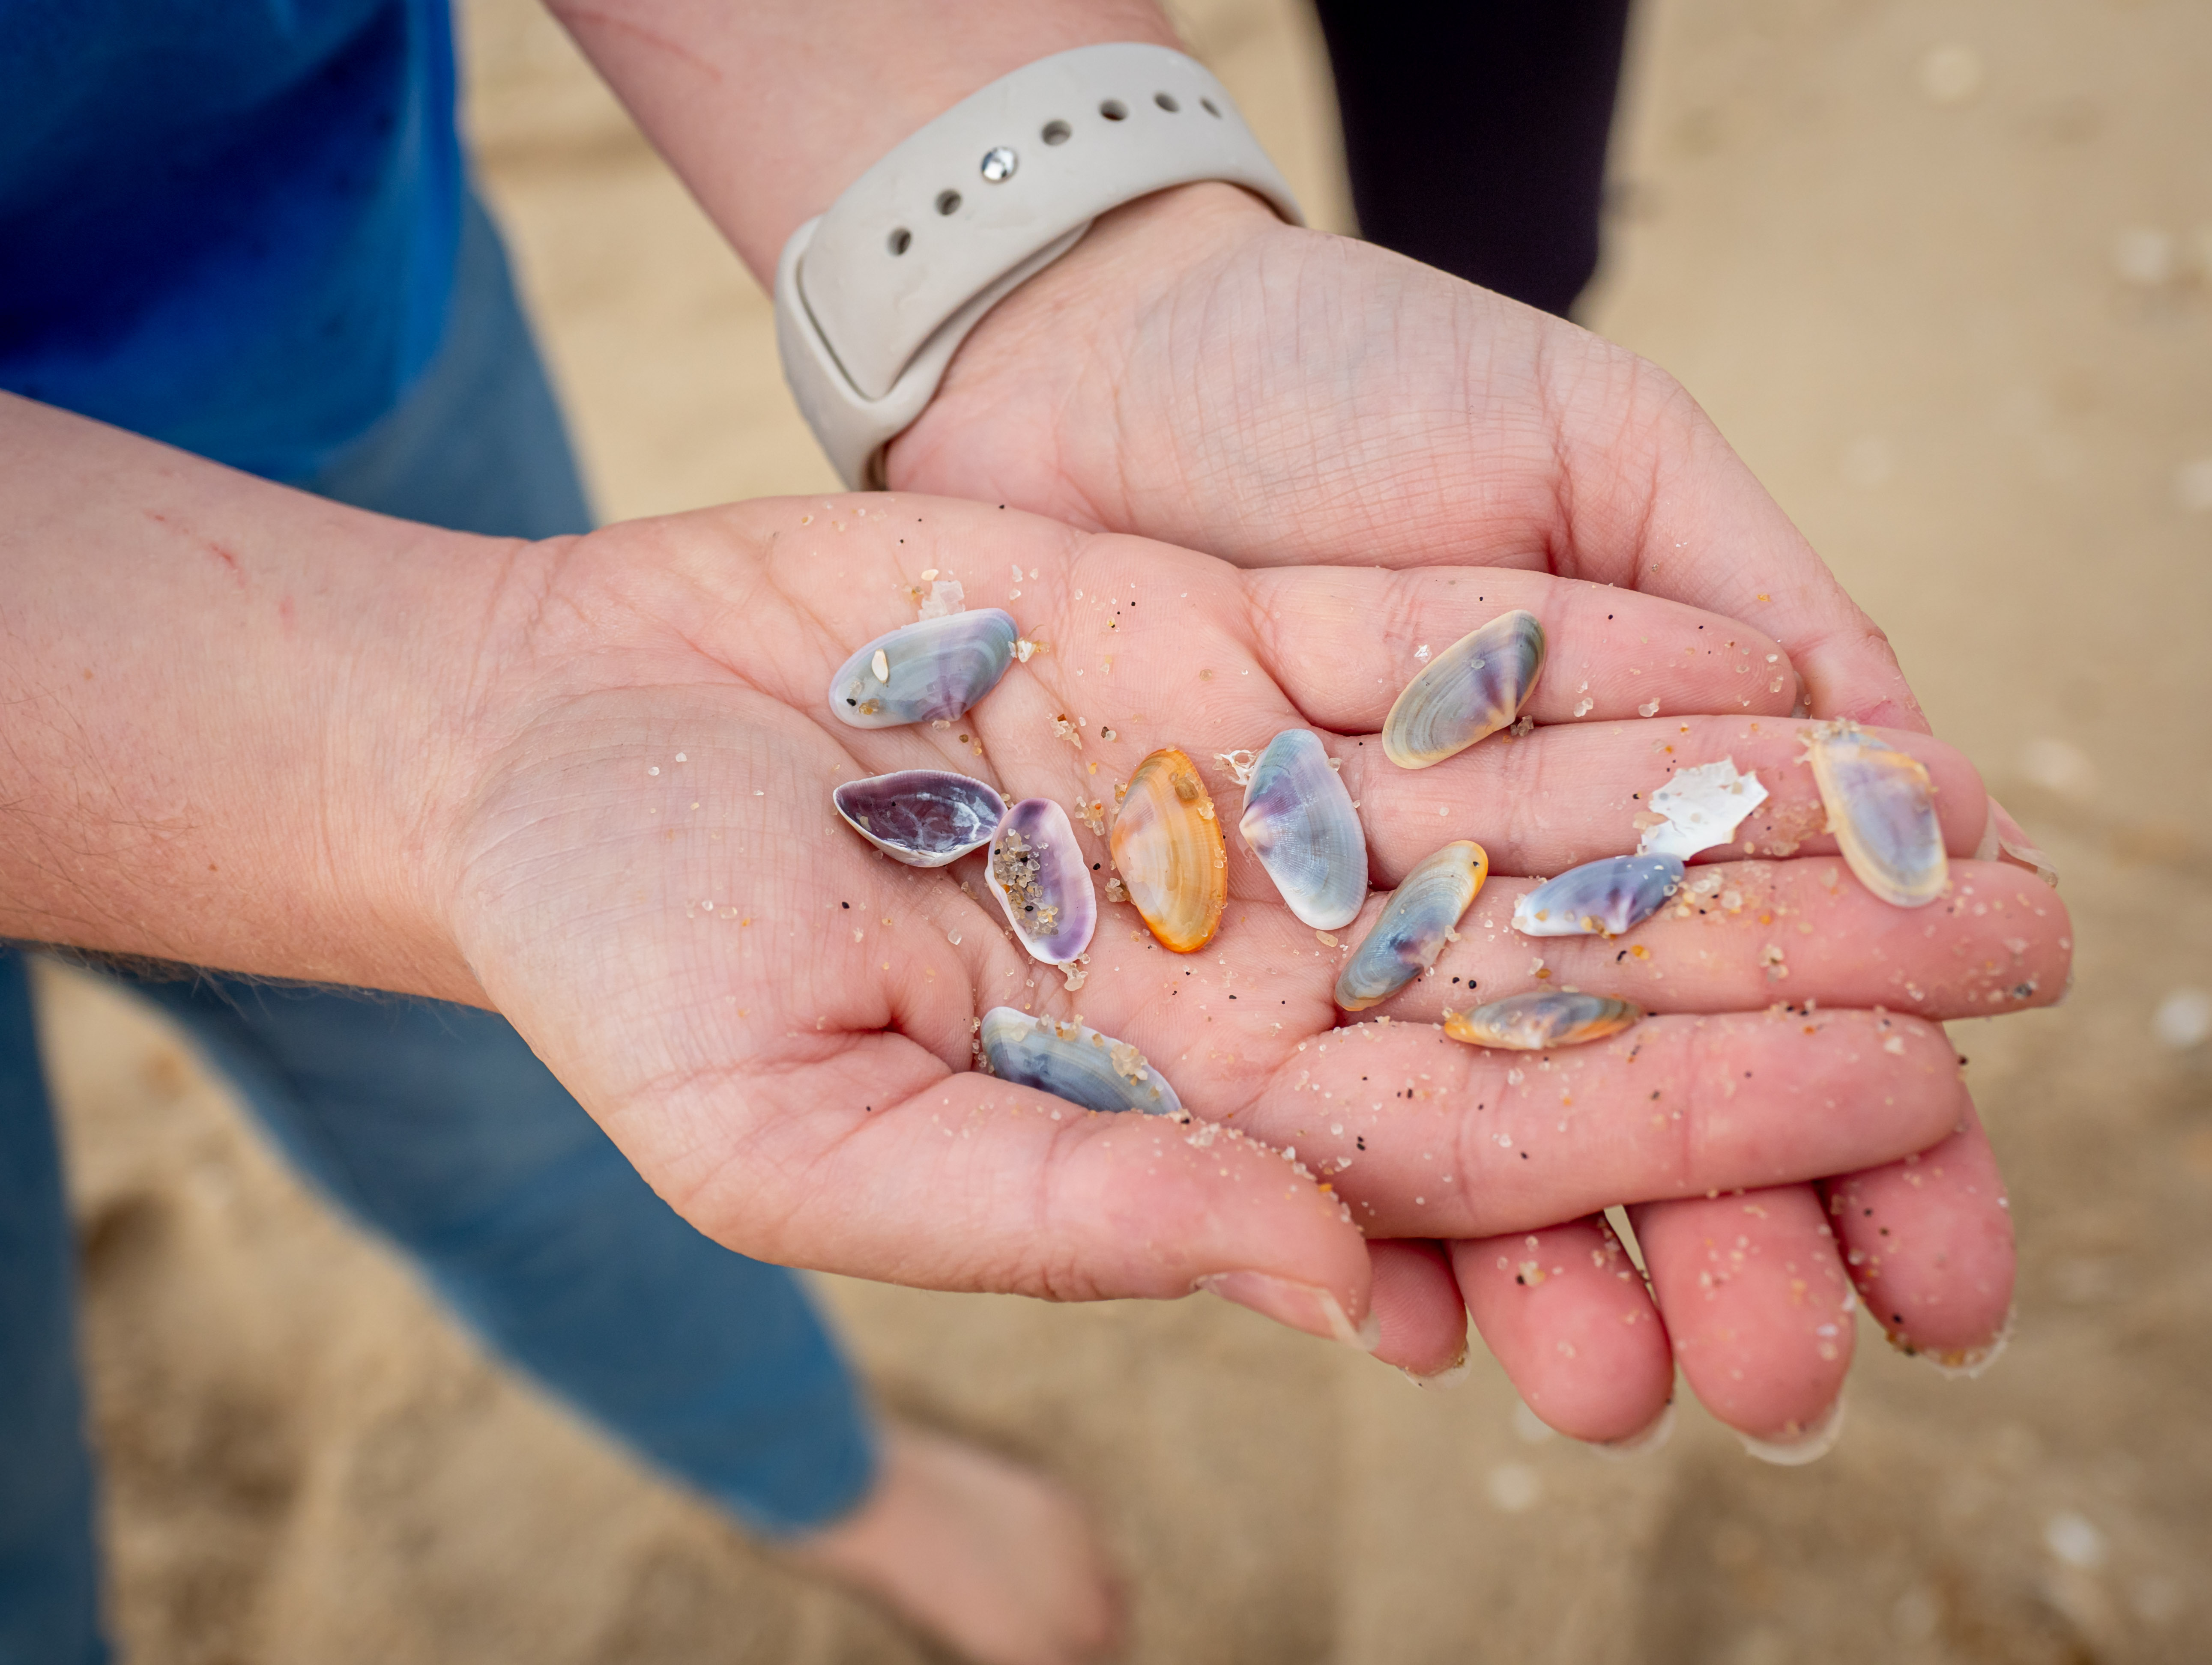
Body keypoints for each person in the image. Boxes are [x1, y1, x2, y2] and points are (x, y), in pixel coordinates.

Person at [0, 4, 2063, 1664]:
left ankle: (813, 1473)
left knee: (511, 1119)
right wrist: (402, 756)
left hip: (304, 311)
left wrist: (1052, 252)